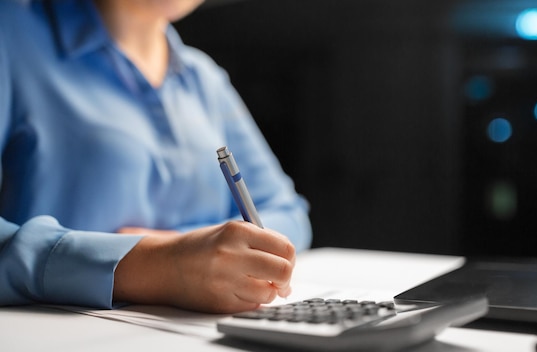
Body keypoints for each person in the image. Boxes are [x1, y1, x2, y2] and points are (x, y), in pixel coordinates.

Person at [0, 0, 312, 313]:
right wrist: (152, 265)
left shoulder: (203, 77)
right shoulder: (11, 33)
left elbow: (288, 212)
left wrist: (193, 249)